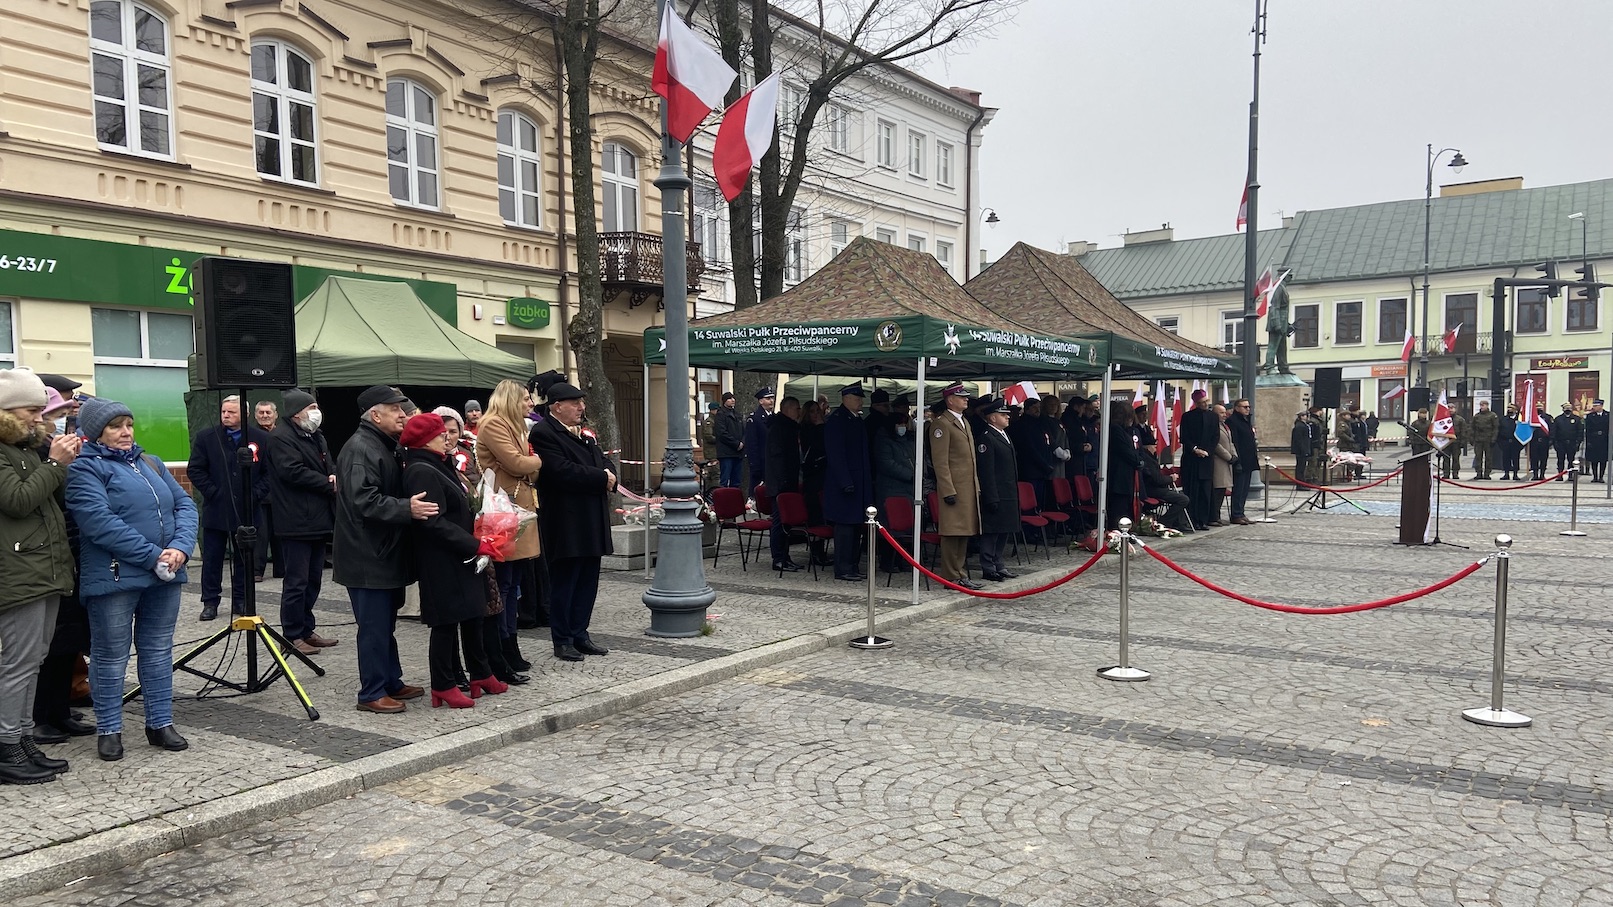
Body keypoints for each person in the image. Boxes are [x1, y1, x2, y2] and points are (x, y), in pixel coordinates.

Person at [65, 397, 198, 761]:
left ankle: (160, 723)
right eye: (115, 426)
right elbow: (99, 523)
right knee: (110, 656)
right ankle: (109, 729)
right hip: (115, 578)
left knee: (157, 651)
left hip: (166, 574)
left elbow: (185, 505)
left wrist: (181, 548)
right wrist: (154, 555)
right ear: (96, 433)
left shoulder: (149, 462)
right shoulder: (84, 469)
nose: (125, 432)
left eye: (128, 424)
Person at [334, 385, 436, 714]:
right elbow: (364, 501)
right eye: (395, 410)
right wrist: (408, 508)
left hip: (383, 553)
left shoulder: (383, 444)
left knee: (385, 625)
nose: (403, 414)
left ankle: (391, 680)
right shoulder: (362, 448)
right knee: (374, 627)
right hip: (367, 557)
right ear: (375, 415)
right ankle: (372, 691)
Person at [0, 370, 80, 783]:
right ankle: (6, 746)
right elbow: (17, 500)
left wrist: (58, 463)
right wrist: (54, 463)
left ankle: (22, 737)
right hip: (18, 571)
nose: (39, 418)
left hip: (44, 568)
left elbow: (49, 497)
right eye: (31, 410)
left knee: (34, 659)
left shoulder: (27, 448)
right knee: (17, 662)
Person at [398, 413, 505, 709]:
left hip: (462, 553)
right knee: (446, 621)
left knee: (473, 613)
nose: (447, 437)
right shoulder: (420, 470)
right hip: (441, 557)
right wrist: (475, 542)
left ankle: (480, 673)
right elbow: (433, 521)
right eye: (439, 433)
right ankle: (443, 684)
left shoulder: (440, 464)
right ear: (424, 439)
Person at [529, 382, 616, 662]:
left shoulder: (585, 433)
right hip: (566, 520)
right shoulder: (544, 432)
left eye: (582, 402)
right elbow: (560, 471)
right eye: (575, 403)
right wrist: (601, 478)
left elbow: (603, 461)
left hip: (592, 518)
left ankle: (581, 633)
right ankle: (562, 638)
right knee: (566, 581)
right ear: (557, 406)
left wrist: (609, 474)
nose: (581, 407)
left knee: (587, 581)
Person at [29, 388, 96, 746]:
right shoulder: (36, 452)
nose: (54, 420)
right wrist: (59, 464)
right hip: (49, 553)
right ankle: (40, 716)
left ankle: (60, 711)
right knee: (49, 643)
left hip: (70, 550)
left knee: (69, 639)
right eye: (51, 412)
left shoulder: (52, 446)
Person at [264, 390, 338, 657]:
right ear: (297, 412)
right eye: (313, 407)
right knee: (296, 581)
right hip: (295, 519)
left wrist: (333, 475)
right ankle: (292, 634)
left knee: (313, 579)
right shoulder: (280, 438)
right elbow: (291, 471)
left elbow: (329, 464)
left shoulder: (315, 436)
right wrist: (327, 483)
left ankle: (307, 629)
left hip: (318, 519)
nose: (317, 412)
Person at [475, 380, 542, 671]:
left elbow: (524, 466)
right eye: (525, 398)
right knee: (503, 584)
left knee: (513, 582)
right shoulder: (494, 424)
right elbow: (517, 464)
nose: (530, 403)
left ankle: (509, 642)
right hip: (503, 510)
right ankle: (501, 645)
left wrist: (531, 463)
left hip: (517, 508)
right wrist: (537, 460)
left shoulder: (514, 426)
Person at [188, 396, 270, 620]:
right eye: (224, 412)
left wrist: (254, 495)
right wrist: (214, 492)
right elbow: (195, 470)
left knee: (244, 558)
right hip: (217, 509)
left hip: (247, 509)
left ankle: (241, 600)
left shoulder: (261, 438)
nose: (225, 416)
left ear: (243, 415)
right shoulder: (207, 437)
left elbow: (269, 472)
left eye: (231, 413)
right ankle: (210, 601)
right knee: (213, 559)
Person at [929, 383, 981, 590]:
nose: (966, 399)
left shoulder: (963, 422)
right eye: (961, 397)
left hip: (967, 487)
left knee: (964, 531)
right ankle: (951, 575)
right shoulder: (942, 424)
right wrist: (948, 489)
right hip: (953, 488)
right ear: (950, 400)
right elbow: (940, 461)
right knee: (951, 532)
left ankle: (960, 572)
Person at [823, 383, 873, 581]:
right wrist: (845, 481)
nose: (860, 401)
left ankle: (852, 565)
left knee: (855, 527)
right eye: (857, 397)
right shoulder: (837, 421)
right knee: (844, 528)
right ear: (846, 398)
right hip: (843, 485)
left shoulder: (855, 419)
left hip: (858, 483)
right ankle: (843, 567)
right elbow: (836, 455)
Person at [974, 399, 1019, 582]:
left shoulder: (1003, 435)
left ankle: (999, 563)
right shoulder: (987, 437)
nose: (1007, 417)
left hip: (1008, 492)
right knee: (992, 532)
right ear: (992, 418)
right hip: (996, 493)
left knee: (1004, 530)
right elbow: (986, 471)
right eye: (1003, 415)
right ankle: (988, 566)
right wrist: (990, 496)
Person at [872, 397, 917, 572]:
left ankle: (903, 559)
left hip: (907, 489)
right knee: (890, 527)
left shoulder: (908, 440)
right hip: (891, 489)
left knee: (906, 527)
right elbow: (887, 463)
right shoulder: (883, 439)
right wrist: (910, 474)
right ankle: (887, 561)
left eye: (905, 424)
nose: (903, 427)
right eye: (900, 424)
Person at [763, 396, 804, 572]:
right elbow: (777, 458)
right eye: (796, 408)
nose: (799, 412)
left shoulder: (789, 427)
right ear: (787, 409)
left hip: (788, 481)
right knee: (779, 522)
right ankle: (778, 558)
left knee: (786, 523)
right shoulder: (779, 428)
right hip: (780, 483)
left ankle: (785, 556)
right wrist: (783, 480)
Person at [1177, 390, 1218, 531]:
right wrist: (1195, 449)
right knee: (1192, 491)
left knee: (1205, 492)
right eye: (1202, 403)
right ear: (1196, 403)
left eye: (1206, 401)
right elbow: (1184, 437)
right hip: (1191, 460)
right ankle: (1192, 519)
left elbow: (1215, 437)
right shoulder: (1187, 417)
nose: (1205, 404)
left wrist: (1208, 451)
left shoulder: (1213, 417)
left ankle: (1203, 520)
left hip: (1206, 459)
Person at [799, 400, 830, 567]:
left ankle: (821, 551)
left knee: (822, 516)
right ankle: (816, 552)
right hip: (812, 478)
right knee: (815, 516)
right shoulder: (808, 430)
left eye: (818, 411)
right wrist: (819, 426)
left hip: (823, 477)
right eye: (812, 411)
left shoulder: (822, 427)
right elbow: (817, 446)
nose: (816, 414)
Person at [1105, 401, 1144, 528]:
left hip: (1129, 477)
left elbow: (1137, 450)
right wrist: (1137, 461)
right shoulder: (1115, 430)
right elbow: (1125, 450)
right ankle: (1117, 531)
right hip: (1119, 476)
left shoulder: (1130, 431)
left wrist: (1140, 459)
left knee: (1127, 507)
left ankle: (1127, 531)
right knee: (1118, 508)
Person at [1227, 398, 1258, 525]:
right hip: (1240, 460)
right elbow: (1235, 442)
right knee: (1239, 488)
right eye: (1244, 407)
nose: (1247, 409)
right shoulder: (1233, 421)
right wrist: (1237, 460)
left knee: (1245, 488)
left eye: (1248, 407)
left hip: (1249, 459)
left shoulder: (1246, 421)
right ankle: (1236, 513)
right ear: (1237, 408)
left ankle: (1241, 511)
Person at [744, 388, 774, 497]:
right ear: (761, 401)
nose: (771, 401)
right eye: (768, 398)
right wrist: (754, 464)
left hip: (771, 460)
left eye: (772, 398)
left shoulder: (773, 417)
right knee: (757, 489)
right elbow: (752, 443)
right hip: (760, 460)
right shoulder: (754, 418)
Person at [1210, 404, 1235, 527]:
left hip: (1226, 462)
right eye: (1221, 413)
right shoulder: (1213, 426)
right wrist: (1229, 456)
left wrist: (1234, 455)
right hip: (1218, 462)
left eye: (1225, 412)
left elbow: (1230, 442)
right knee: (1217, 491)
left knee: (1221, 491)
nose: (1225, 415)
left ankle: (1217, 516)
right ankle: (1214, 517)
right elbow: (1216, 445)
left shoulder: (1224, 426)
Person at [713, 392, 744, 489]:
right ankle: (723, 501)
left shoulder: (737, 414)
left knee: (736, 480)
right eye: (729, 399)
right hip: (726, 453)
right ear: (724, 401)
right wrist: (736, 444)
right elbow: (722, 433)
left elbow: (744, 430)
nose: (732, 400)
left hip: (738, 452)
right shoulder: (721, 415)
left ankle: (734, 500)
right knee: (725, 480)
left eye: (733, 398)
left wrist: (743, 442)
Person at [1467, 400, 1499, 480]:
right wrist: (1471, 438)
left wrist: (1493, 439)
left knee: (1488, 457)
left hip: (1488, 439)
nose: (1482, 407)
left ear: (1487, 405)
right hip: (1478, 440)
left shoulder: (1492, 415)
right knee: (1478, 457)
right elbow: (1472, 428)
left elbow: (1495, 428)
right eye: (1481, 405)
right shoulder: (1476, 416)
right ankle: (1478, 473)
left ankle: (1487, 473)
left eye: (1483, 405)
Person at [1553, 402, 1584, 479]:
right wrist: (1554, 442)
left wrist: (1578, 442)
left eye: (1569, 408)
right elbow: (1554, 431)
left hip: (1572, 443)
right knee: (1560, 460)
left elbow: (1580, 431)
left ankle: (1570, 475)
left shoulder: (1577, 419)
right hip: (1561, 443)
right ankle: (1560, 475)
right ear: (1563, 409)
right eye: (1566, 408)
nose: (1567, 410)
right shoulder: (1558, 419)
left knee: (1571, 460)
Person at [1584, 399, 1609, 483]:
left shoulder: (1608, 415)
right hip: (1593, 440)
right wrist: (1588, 441)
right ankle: (1595, 476)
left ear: (1601, 406)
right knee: (1594, 459)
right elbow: (1588, 430)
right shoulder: (1590, 416)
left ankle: (1601, 476)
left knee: (1603, 460)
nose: (1594, 407)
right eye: (1594, 406)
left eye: (1596, 406)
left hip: (1604, 440)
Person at [1498, 403, 1523, 480]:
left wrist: (1521, 444)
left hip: (1516, 443)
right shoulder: (1503, 419)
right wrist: (1500, 443)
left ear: (1515, 410)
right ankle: (1506, 473)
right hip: (1505, 442)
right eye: (1508, 408)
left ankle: (1515, 474)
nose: (1509, 410)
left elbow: (1522, 432)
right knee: (1506, 459)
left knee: (1515, 459)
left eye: (1511, 408)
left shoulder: (1519, 420)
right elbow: (1499, 431)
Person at [1289, 411, 1314, 484]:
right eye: (1305, 415)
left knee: (1302, 467)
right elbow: (1299, 440)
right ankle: (1300, 483)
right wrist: (1304, 450)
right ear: (1301, 417)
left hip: (1304, 449)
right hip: (1301, 450)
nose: (1306, 417)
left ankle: (1302, 482)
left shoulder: (1304, 425)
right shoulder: (1299, 426)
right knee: (1300, 467)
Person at [1527, 406, 1551, 480]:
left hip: (1544, 441)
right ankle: (1535, 474)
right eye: (1537, 408)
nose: (1539, 409)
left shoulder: (1547, 418)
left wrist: (1551, 440)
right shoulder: (1530, 418)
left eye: (1540, 408)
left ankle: (1542, 474)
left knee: (1543, 459)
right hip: (1533, 441)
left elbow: (1552, 428)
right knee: (1534, 459)